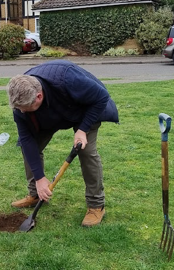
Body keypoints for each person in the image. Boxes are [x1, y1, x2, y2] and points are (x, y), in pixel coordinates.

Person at [7, 60, 119, 227]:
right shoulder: (21, 106)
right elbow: (27, 139)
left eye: (24, 107)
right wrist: (39, 178)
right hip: (49, 115)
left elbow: (101, 97)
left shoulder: (68, 79)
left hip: (84, 110)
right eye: (19, 108)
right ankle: (37, 194)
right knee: (29, 147)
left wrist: (82, 130)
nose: (21, 111)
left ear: (39, 96)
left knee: (86, 151)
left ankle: (96, 205)